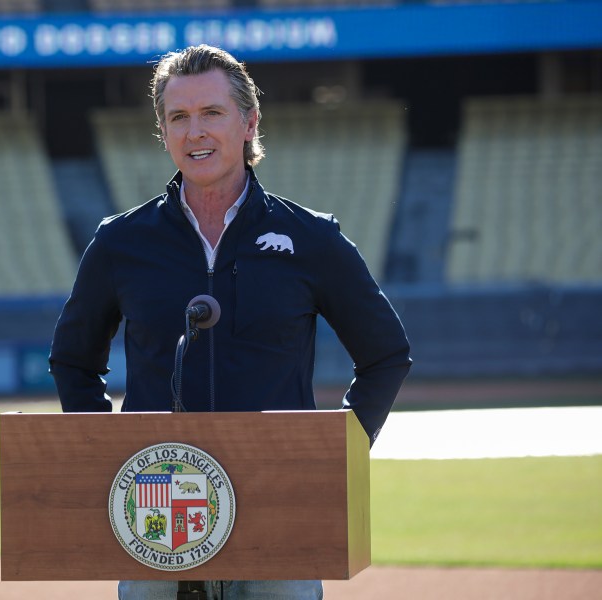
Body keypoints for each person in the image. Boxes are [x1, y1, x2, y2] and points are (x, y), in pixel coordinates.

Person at [49, 44, 411, 600]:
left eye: (212, 113)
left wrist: (337, 454)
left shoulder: (312, 238)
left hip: (281, 510)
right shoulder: (120, 242)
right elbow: (74, 360)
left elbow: (386, 353)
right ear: (164, 131)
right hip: (158, 514)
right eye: (179, 117)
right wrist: (104, 453)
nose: (195, 132)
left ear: (249, 122)